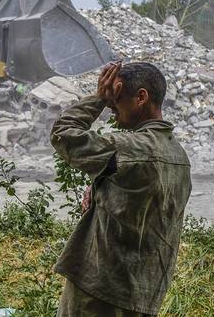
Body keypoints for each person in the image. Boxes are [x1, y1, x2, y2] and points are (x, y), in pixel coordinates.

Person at [50, 62, 191, 317]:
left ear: (141, 97)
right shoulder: (179, 157)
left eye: (117, 97)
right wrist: (100, 188)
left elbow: (63, 134)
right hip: (145, 292)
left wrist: (99, 99)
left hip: (100, 289)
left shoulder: (129, 148)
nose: (113, 107)